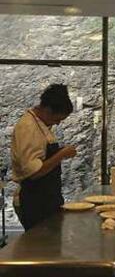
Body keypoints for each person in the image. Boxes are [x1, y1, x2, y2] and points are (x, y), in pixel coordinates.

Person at [11, 84, 77, 231]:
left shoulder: (40, 125)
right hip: (34, 202)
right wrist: (61, 154)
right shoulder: (28, 127)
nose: (58, 123)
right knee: (40, 251)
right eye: (57, 119)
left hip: (47, 199)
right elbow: (33, 173)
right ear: (47, 111)